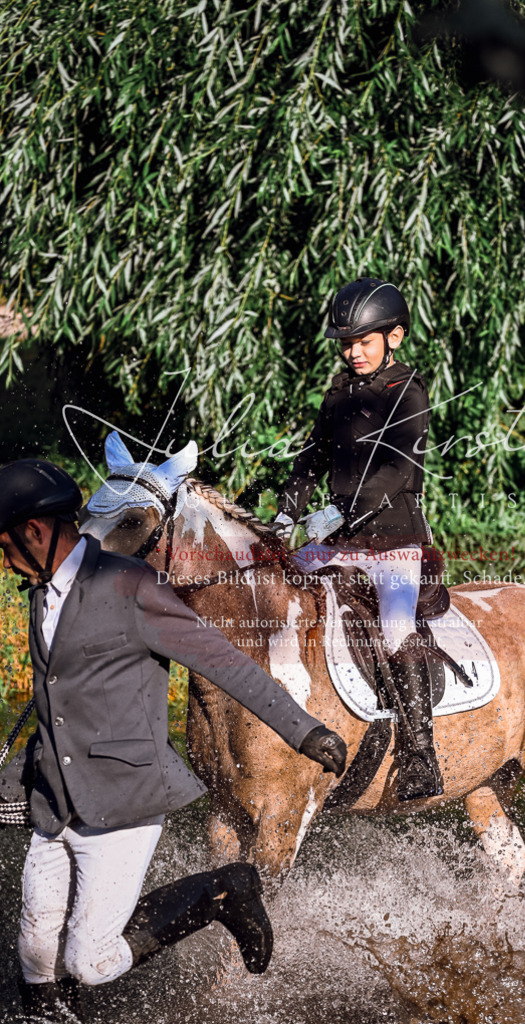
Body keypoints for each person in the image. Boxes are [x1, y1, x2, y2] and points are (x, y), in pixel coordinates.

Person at [0, 458, 346, 1023]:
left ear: (35, 532)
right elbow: (55, 705)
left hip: (122, 798)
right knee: (35, 954)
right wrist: (16, 778)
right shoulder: (39, 592)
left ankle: (222, 890)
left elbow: (224, 661)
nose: (5, 560)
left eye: (6, 546)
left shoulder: (133, 585)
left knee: (90, 962)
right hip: (56, 801)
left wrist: (304, 730)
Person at [273, 277, 442, 803]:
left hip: (394, 542)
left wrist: (334, 514)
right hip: (342, 538)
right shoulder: (339, 391)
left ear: (394, 337)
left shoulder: (408, 391)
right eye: (347, 343)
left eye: (364, 341)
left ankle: (421, 756)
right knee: (273, 584)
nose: (354, 352)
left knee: (394, 627)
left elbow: (396, 472)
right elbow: (310, 459)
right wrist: (285, 513)